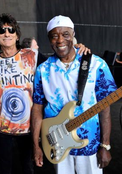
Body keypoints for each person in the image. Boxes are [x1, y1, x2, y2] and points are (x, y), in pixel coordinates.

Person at [0, 13, 90, 174]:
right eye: (1, 30)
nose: (7, 33)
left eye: (11, 30)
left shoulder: (31, 55)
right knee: (3, 169)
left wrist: (75, 46)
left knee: (28, 168)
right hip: (2, 128)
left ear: (17, 35)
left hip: (27, 128)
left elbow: (58, 59)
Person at [31, 15, 117, 174]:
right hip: (56, 143)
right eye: (54, 36)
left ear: (73, 35)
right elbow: (37, 109)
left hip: (89, 144)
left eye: (65, 34)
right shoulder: (43, 70)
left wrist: (105, 145)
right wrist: (36, 145)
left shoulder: (95, 64)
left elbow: (104, 108)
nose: (60, 40)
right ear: (49, 40)